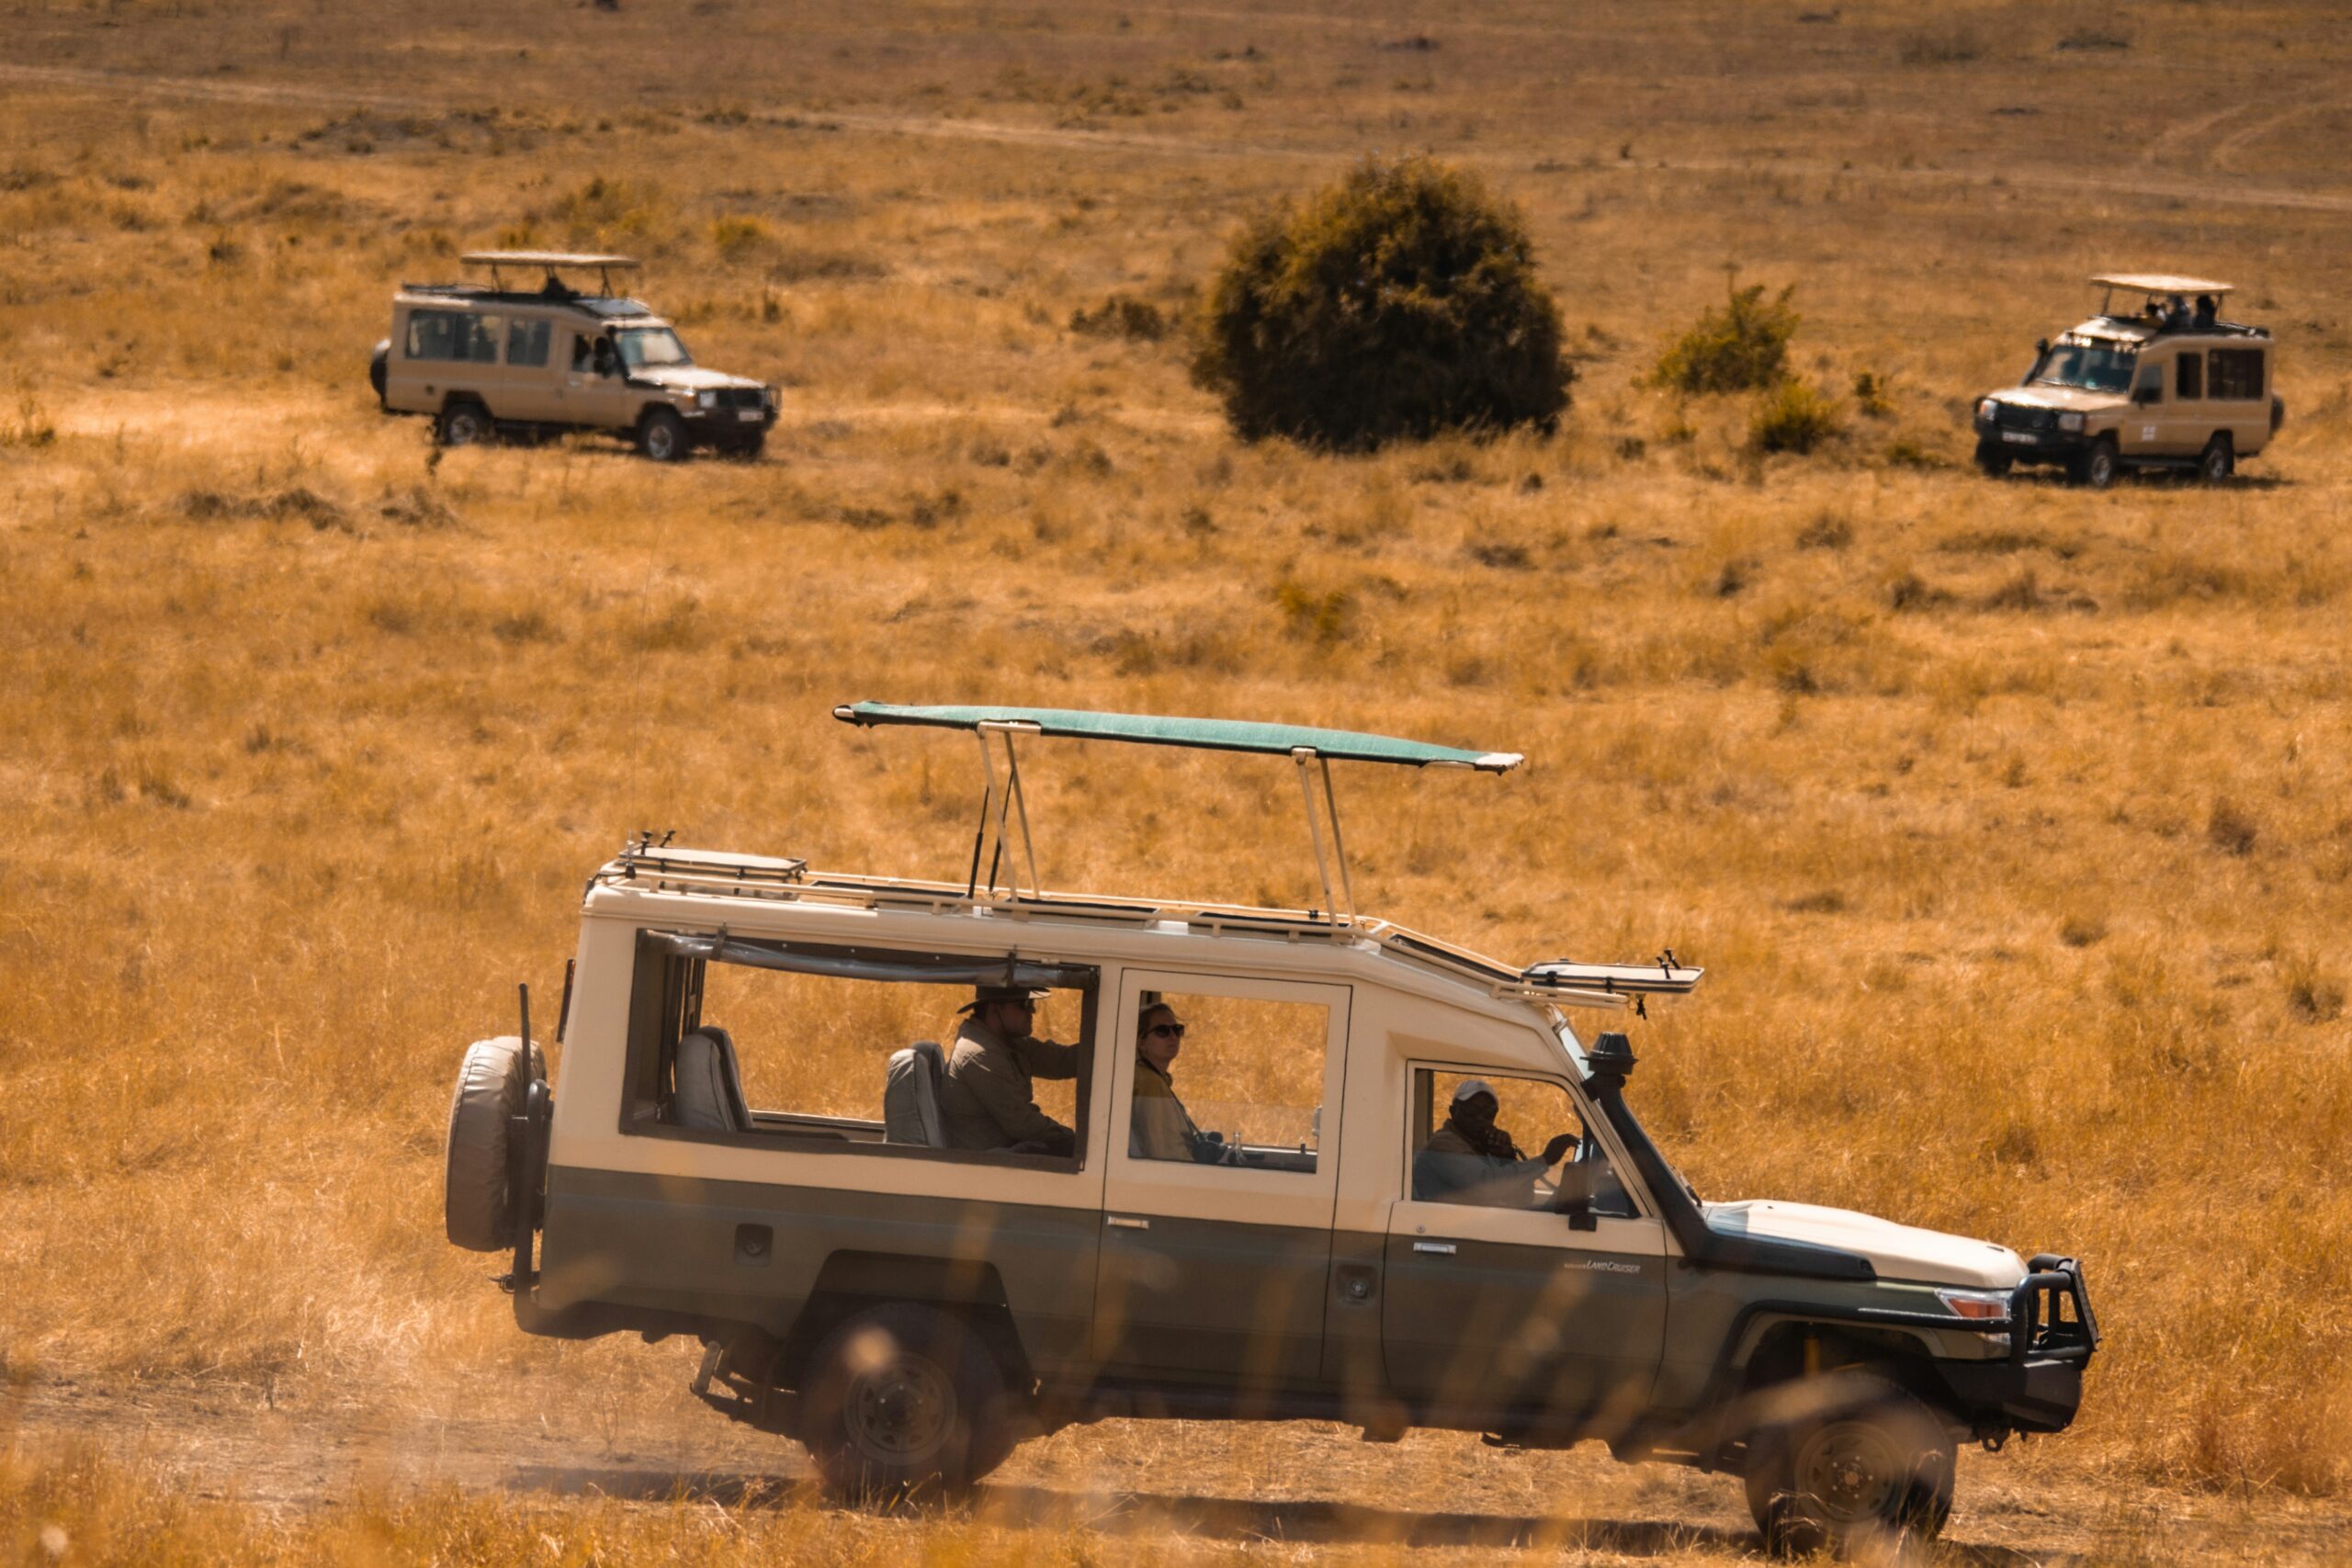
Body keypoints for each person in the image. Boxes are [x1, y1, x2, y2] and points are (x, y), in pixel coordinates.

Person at [937, 985, 1079, 1156]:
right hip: (986, 1164)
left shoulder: (1005, 1041)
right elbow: (1022, 1123)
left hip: (1006, 1152)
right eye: (1023, 1004)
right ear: (995, 1010)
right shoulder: (981, 1054)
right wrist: (1075, 1140)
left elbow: (1061, 1062)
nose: (1032, 1011)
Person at [1414, 1080, 1576, 1207]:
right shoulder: (1444, 1144)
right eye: (1472, 1111)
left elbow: (1523, 1199)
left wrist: (1507, 1157)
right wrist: (1544, 1160)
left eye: (1488, 1114)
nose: (1480, 1119)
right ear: (1453, 1111)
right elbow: (1486, 1187)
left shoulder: (1480, 1145)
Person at [1129, 1001, 1226, 1163]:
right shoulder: (1150, 1083)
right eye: (1162, 1031)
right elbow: (1165, 1152)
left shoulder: (1153, 1078)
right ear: (1142, 1042)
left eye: (1177, 1029)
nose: (1173, 1036)